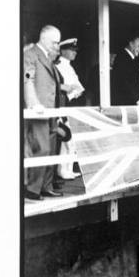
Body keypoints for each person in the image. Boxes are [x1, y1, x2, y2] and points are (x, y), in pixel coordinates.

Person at [23, 25, 63, 200]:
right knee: (42, 148)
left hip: (51, 111)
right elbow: (27, 79)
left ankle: (45, 187)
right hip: (39, 111)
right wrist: (33, 104)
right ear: (44, 39)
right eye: (55, 42)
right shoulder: (30, 54)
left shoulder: (47, 57)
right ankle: (33, 189)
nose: (57, 46)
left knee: (52, 149)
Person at [54, 38, 84, 180]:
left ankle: (68, 169)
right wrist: (72, 90)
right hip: (64, 103)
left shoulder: (69, 66)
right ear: (63, 50)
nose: (74, 53)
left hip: (72, 103)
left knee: (71, 140)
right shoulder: (59, 65)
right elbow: (67, 88)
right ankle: (62, 170)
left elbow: (78, 86)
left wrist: (74, 89)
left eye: (75, 51)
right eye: (72, 50)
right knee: (66, 139)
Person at [111, 35, 139, 105]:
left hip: (134, 102)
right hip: (127, 102)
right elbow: (123, 81)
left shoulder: (131, 59)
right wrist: (136, 99)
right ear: (131, 44)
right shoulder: (122, 58)